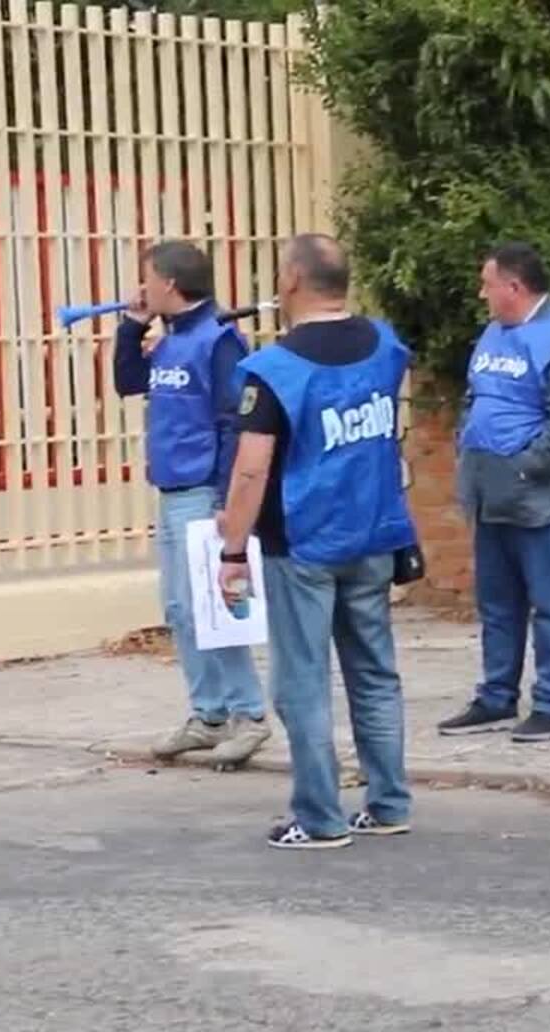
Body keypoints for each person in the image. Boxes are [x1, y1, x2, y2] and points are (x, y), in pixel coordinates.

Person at [217, 234, 416, 850]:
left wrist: (231, 550)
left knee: (302, 682)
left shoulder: (273, 370)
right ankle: (387, 804)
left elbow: (252, 469)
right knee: (374, 673)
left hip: (303, 544)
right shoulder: (384, 345)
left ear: (295, 280)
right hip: (374, 532)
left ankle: (321, 816)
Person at [113, 240, 270, 768]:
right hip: (172, 488)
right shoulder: (171, 339)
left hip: (203, 490)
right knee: (181, 609)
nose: (142, 288)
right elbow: (127, 382)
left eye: (148, 279)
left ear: (170, 284)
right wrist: (132, 327)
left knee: (214, 608)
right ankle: (208, 714)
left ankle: (248, 714)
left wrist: (230, 499)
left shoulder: (219, 341)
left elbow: (235, 420)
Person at [438, 243, 550, 743]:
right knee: (498, 604)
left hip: (537, 498)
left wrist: (526, 470)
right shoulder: (494, 333)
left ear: (514, 287)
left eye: (488, 284)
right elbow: (476, 396)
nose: (482, 293)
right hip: (489, 495)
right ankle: (496, 696)